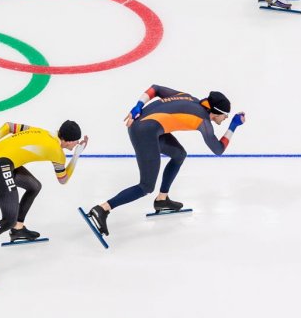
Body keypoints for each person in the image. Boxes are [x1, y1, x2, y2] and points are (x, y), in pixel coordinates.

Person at [85, 86, 246, 237]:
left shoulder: (189, 97)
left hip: (151, 128)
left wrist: (138, 105)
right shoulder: (202, 121)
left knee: (179, 155)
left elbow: (155, 88)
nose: (225, 118)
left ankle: (162, 199)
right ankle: (102, 209)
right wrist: (233, 126)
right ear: (215, 113)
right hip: (144, 132)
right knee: (146, 186)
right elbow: (218, 150)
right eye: (225, 115)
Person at [0, 121, 87, 274]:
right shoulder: (57, 153)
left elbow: (9, 126)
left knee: (34, 186)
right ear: (70, 141)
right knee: (8, 219)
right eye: (76, 142)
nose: (76, 144)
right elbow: (63, 179)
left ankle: (18, 229)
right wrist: (77, 154)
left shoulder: (42, 131)